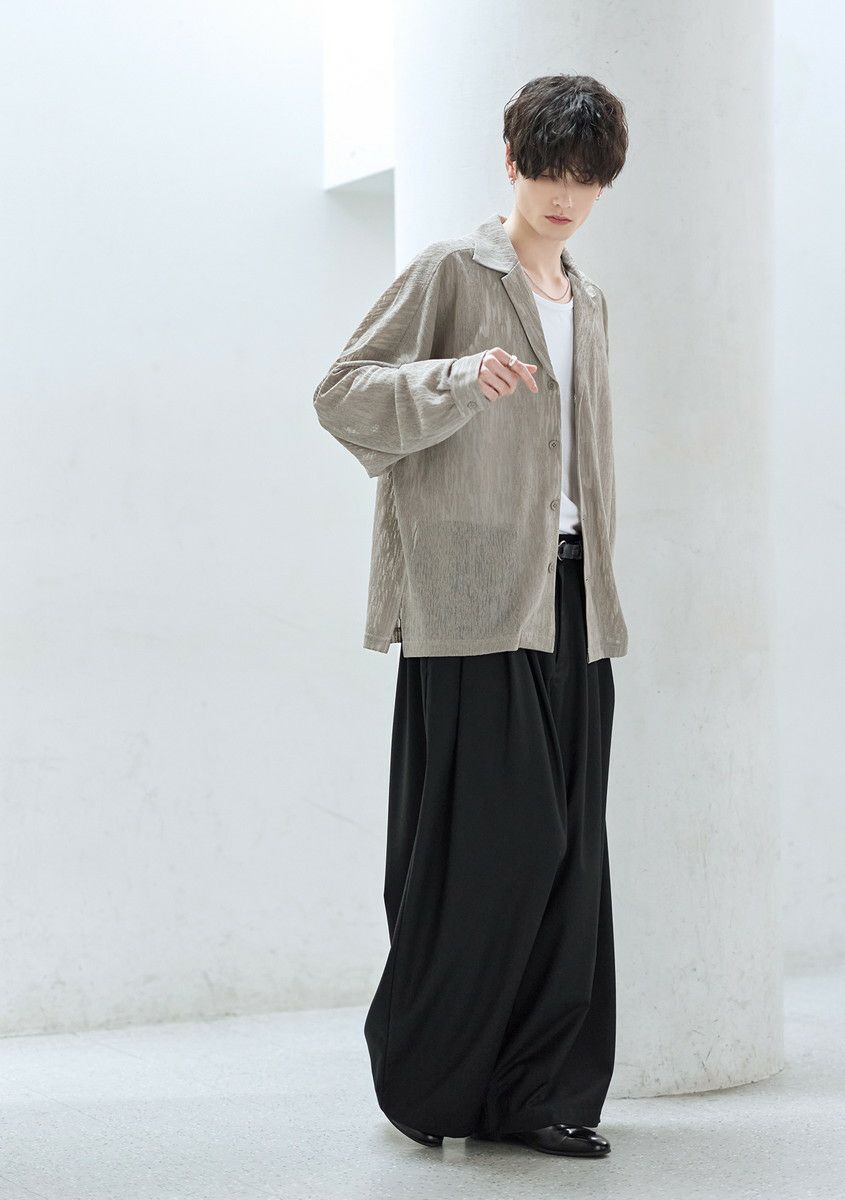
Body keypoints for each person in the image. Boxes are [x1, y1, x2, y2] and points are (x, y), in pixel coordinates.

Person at [312, 74, 629, 1159]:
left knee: (572, 856)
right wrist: (452, 379)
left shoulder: (589, 301)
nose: (565, 197)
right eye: (549, 172)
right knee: (500, 845)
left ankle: (538, 1093)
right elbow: (342, 392)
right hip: (474, 597)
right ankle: (430, 1081)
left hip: (573, 597)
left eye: (585, 179)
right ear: (512, 163)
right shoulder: (454, 272)